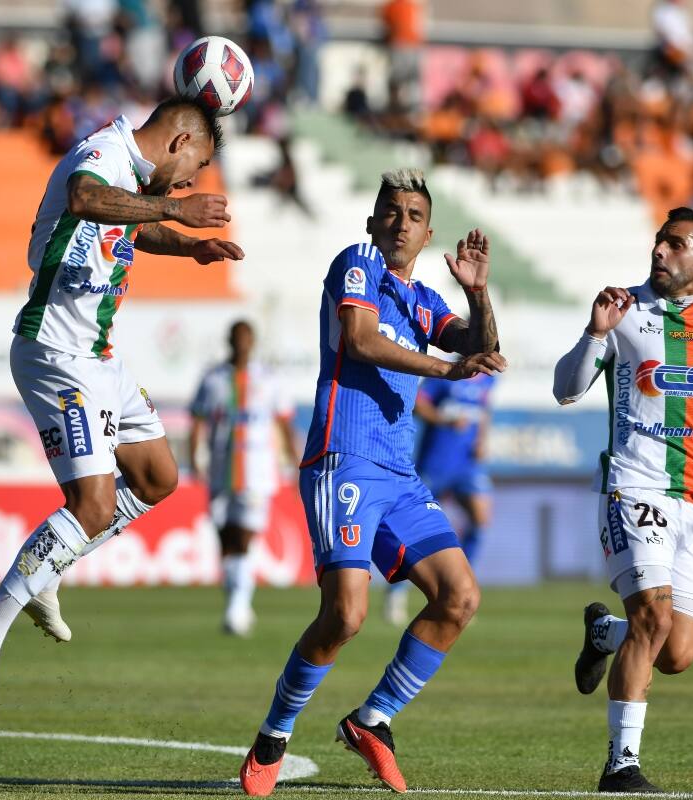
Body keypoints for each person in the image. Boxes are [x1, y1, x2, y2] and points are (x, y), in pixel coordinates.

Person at [0, 96, 243, 718]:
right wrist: (178, 207)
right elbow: (85, 198)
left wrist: (186, 245)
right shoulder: (103, 153)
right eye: (197, 164)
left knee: (159, 477)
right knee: (93, 504)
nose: (192, 181)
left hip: (99, 358)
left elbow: (127, 223)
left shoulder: (131, 178)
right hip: (56, 350)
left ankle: (49, 567)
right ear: (181, 138)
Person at [239, 168, 506, 796]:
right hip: (344, 459)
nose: (400, 222)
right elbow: (358, 341)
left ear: (428, 232)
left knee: (460, 597)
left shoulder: (425, 301)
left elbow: (483, 348)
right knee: (347, 615)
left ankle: (372, 720)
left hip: (399, 473)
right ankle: (276, 731)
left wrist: (477, 294)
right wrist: (446, 365)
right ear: (372, 220)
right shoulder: (356, 262)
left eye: (413, 215)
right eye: (390, 210)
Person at [552, 207, 693, 793]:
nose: (660, 251)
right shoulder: (624, 309)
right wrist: (595, 332)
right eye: (660, 241)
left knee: (676, 651)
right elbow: (564, 390)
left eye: (675, 245)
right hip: (635, 485)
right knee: (653, 617)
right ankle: (620, 765)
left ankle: (603, 633)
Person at [188, 319, 298, 636]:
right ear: (229, 341)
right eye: (236, 338)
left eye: (246, 338)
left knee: (245, 535)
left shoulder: (269, 379)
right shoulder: (213, 379)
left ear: (253, 342)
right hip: (221, 468)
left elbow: (285, 424)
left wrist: (294, 464)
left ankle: (237, 606)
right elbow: (197, 420)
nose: (241, 344)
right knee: (225, 537)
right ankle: (237, 602)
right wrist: (195, 458)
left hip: (257, 471)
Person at [383, 371, 495, 626]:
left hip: (467, 464)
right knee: (416, 530)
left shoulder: (488, 379)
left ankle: (462, 590)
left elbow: (484, 410)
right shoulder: (447, 375)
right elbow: (418, 405)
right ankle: (396, 593)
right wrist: (444, 420)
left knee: (481, 519)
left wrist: (482, 440)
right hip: (435, 463)